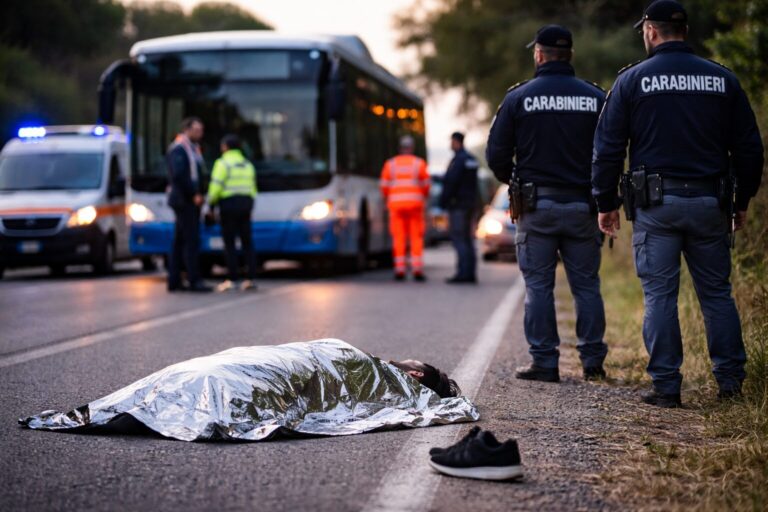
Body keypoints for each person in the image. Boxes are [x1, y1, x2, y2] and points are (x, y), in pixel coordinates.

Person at [592, 1, 764, 407]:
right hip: (710, 202)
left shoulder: (632, 81)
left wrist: (606, 201)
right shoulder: (723, 79)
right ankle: (731, 386)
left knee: (659, 296)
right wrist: (742, 200)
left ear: (651, 31)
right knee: (717, 295)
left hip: (657, 206)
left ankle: (667, 387)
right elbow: (749, 149)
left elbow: (608, 149)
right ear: (684, 31)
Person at [20, 339, 474, 442]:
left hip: (270, 375)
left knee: (211, 381)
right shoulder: (358, 359)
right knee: (201, 373)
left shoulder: (382, 376)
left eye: (415, 364)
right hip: (257, 360)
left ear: (415, 378)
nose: (405, 359)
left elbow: (326, 390)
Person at [486, 25, 609, 383]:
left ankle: (544, 362)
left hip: (536, 207)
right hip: (583, 207)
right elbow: (612, 149)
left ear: (538, 55)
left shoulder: (519, 98)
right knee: (586, 286)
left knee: (539, 286)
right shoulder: (595, 98)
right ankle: (593, 362)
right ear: (569, 54)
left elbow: (495, 155)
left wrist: (515, 181)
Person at [206, 134, 258, 292]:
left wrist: (210, 204)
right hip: (246, 205)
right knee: (247, 242)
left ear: (225, 147)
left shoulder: (222, 163)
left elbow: (216, 186)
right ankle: (250, 278)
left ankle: (233, 278)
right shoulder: (247, 164)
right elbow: (253, 189)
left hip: (228, 206)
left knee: (230, 244)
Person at [166, 117, 211, 293]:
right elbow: (179, 175)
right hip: (184, 201)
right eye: (197, 130)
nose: (200, 133)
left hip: (185, 200)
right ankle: (194, 280)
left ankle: (175, 279)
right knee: (191, 241)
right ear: (187, 129)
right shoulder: (179, 149)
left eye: (201, 130)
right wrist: (194, 194)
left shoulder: (192, 149)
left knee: (180, 241)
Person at [380, 135, 431, 281]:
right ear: (412, 148)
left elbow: (383, 186)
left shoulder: (390, 164)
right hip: (415, 206)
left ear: (400, 148)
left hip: (396, 206)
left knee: (399, 237)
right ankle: (417, 270)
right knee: (416, 237)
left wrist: (388, 197)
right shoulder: (418, 163)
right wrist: (423, 196)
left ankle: (400, 269)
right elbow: (426, 184)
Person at [440, 132, 480, 284]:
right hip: (470, 204)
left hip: (458, 206)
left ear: (456, 142)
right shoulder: (471, 159)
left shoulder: (458, 161)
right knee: (468, 239)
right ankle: (470, 272)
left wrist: (443, 202)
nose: (450, 144)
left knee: (459, 239)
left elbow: (451, 182)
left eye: (451, 141)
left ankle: (463, 273)